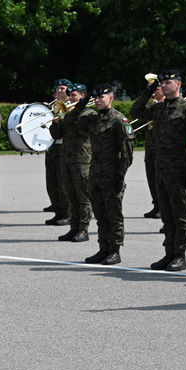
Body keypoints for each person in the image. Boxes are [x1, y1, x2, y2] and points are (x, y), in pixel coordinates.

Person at [131, 69, 186, 271]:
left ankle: (180, 255)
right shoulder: (159, 108)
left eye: (167, 82)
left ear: (178, 84)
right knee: (167, 216)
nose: (163, 85)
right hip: (161, 170)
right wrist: (148, 91)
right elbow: (136, 112)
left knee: (180, 215)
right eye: (161, 83)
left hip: (179, 169)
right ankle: (169, 252)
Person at [70, 84, 133, 264]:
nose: (98, 100)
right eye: (95, 98)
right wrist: (80, 106)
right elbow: (70, 122)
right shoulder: (93, 120)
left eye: (101, 97)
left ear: (111, 98)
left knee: (113, 215)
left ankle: (115, 250)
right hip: (95, 174)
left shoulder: (119, 120)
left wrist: (120, 175)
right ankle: (103, 248)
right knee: (100, 214)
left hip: (112, 175)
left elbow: (127, 152)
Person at [49, 83, 94, 243]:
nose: (70, 98)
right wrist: (55, 121)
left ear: (82, 96)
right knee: (71, 196)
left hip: (82, 160)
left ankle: (83, 229)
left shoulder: (89, 113)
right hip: (66, 159)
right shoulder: (67, 113)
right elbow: (56, 134)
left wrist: (70, 114)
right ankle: (73, 228)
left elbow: (83, 128)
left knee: (83, 197)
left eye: (73, 95)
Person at [44, 79, 71, 225]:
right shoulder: (52, 105)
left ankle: (67, 214)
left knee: (63, 183)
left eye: (62, 88)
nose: (59, 90)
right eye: (58, 88)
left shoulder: (72, 106)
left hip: (64, 147)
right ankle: (57, 211)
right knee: (51, 182)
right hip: (52, 147)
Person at [142, 85, 164, 220]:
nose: (154, 92)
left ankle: (163, 207)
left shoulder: (166, 107)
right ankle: (156, 204)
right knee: (151, 176)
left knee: (160, 179)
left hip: (161, 147)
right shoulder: (152, 106)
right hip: (150, 147)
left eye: (156, 89)